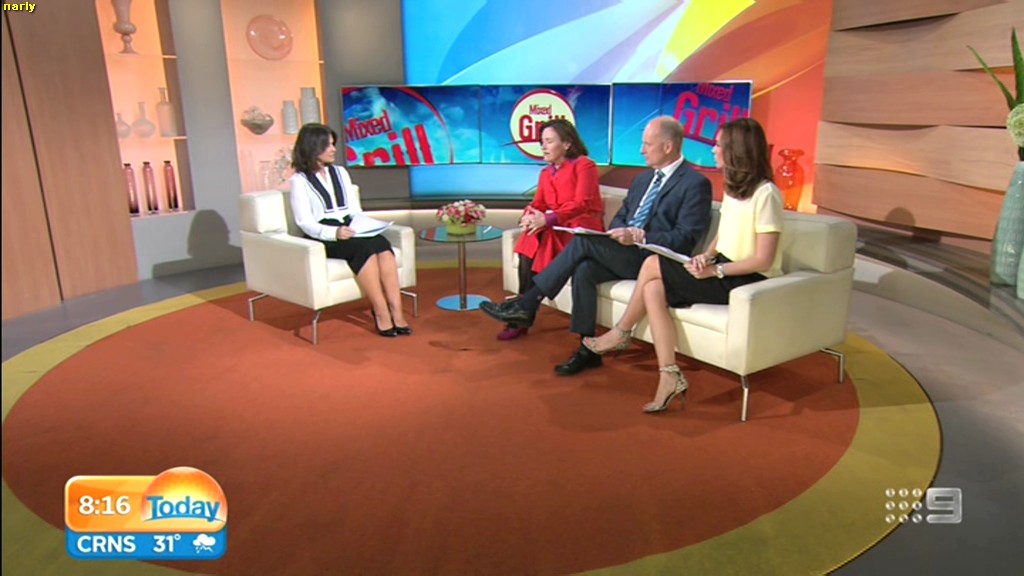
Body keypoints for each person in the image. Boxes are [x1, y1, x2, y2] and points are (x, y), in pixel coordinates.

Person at [481, 115, 713, 375]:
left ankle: (527, 304)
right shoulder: (642, 180)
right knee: (585, 269)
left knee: (582, 243)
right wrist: (620, 231)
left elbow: (685, 238)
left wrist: (639, 236)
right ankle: (588, 349)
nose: (641, 150)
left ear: (668, 146)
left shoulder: (695, 183)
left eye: (647, 144)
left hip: (655, 260)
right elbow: (622, 216)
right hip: (625, 251)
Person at [583, 117, 784, 414]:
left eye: (719, 145)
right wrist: (708, 256)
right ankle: (669, 375)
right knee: (653, 289)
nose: (713, 149)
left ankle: (621, 331)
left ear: (737, 149)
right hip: (722, 266)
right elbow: (724, 234)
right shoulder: (733, 188)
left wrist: (716, 271)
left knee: (652, 263)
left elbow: (763, 259)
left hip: (748, 277)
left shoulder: (767, 194)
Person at [289, 123, 411, 337]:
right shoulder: (299, 181)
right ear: (312, 147)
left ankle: (397, 311)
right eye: (327, 145)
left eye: (333, 144)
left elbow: (354, 209)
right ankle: (381, 311)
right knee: (364, 249)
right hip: (323, 233)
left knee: (382, 245)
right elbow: (304, 222)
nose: (333, 149)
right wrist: (334, 233)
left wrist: (363, 224)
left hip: (349, 226)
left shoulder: (340, 172)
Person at [499, 118, 604, 341]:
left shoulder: (584, 165)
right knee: (530, 238)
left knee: (541, 237)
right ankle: (522, 313)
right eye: (542, 142)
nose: (543, 147)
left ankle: (521, 314)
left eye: (549, 141)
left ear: (566, 144)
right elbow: (538, 203)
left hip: (579, 230)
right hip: (556, 226)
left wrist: (547, 219)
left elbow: (583, 203)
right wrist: (529, 216)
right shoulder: (546, 173)